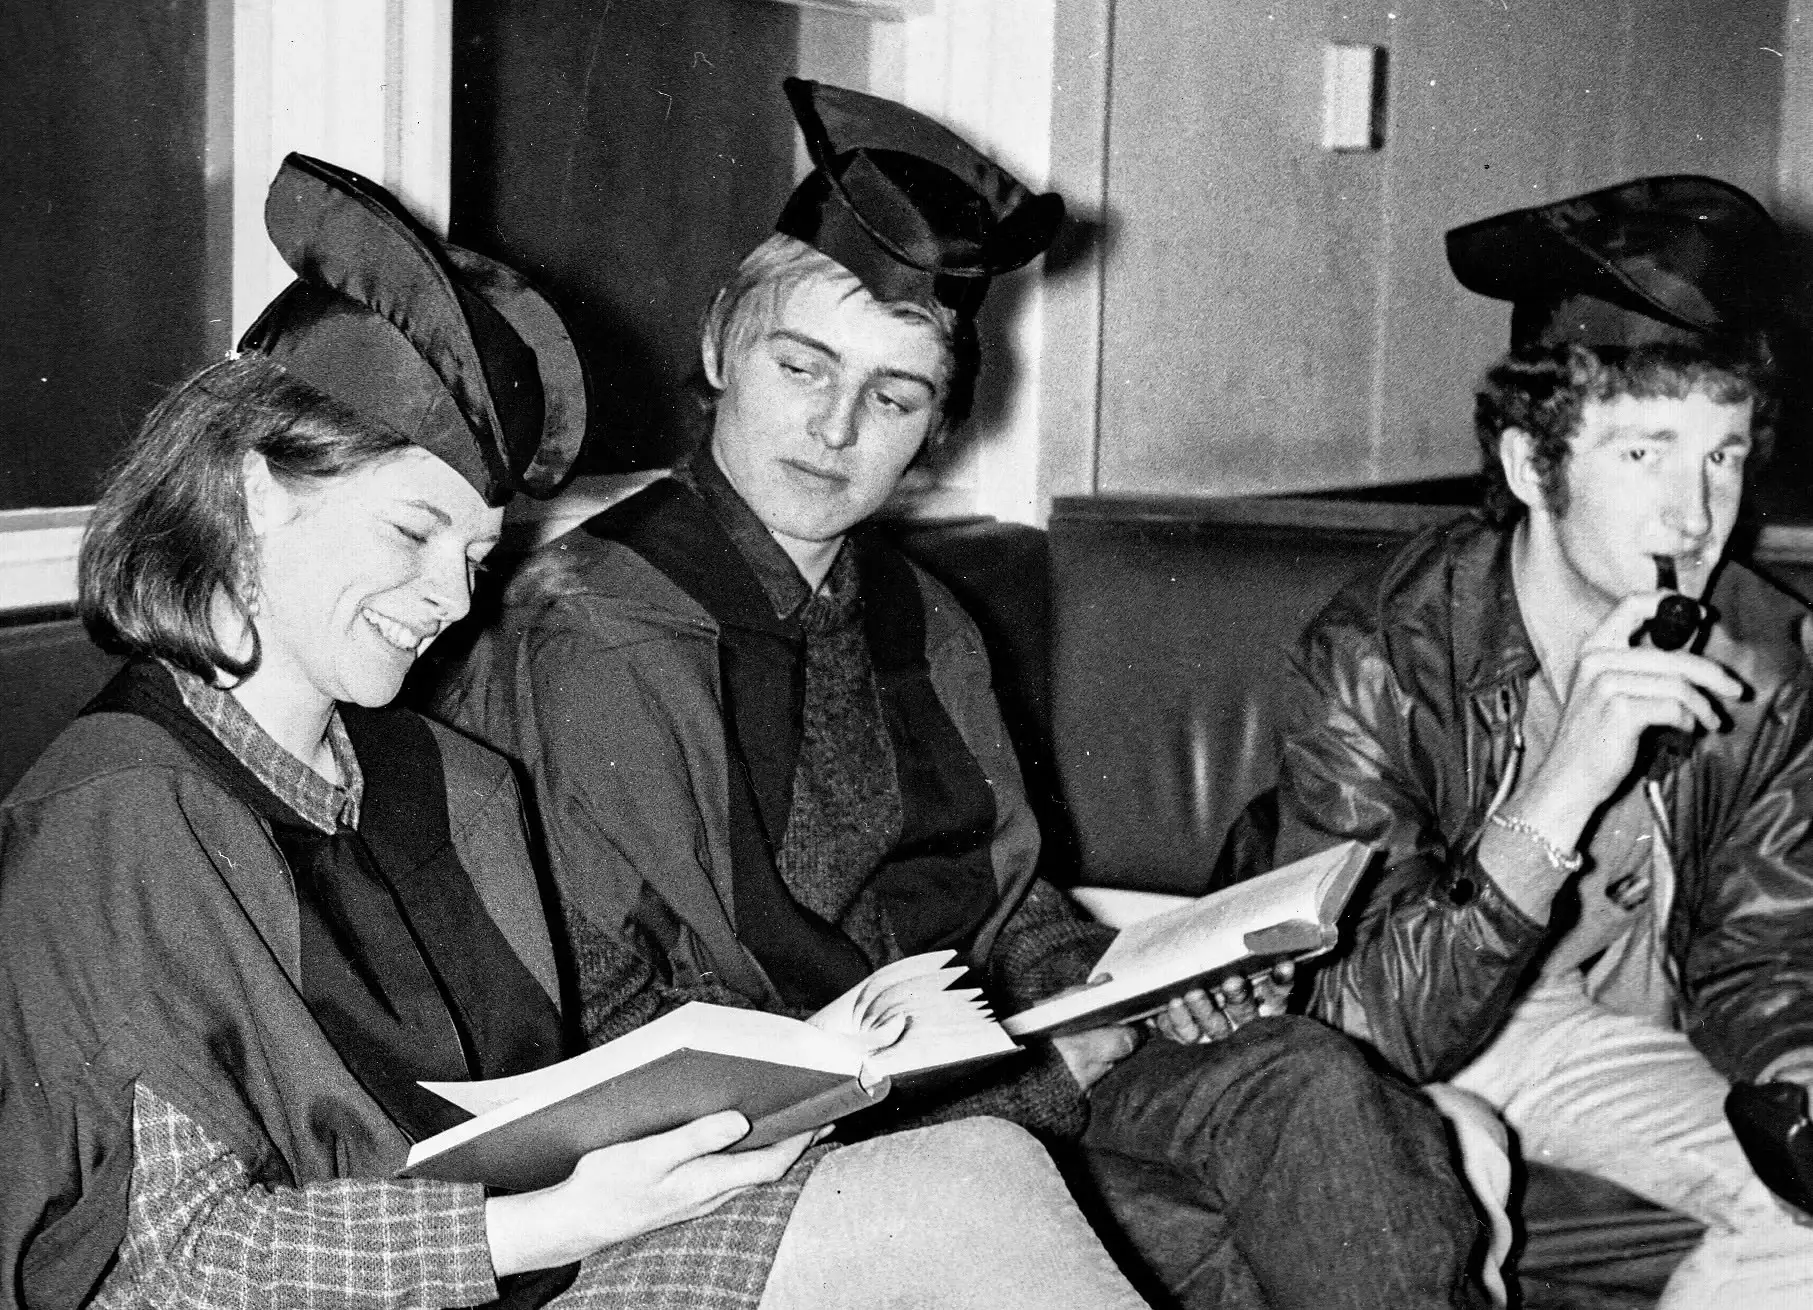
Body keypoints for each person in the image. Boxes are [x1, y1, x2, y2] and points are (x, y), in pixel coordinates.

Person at [0, 152, 1155, 1310]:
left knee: (976, 1177)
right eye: (411, 532)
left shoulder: (438, 774)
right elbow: (174, 1262)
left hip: (527, 1267)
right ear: (258, 490)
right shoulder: (120, 810)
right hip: (429, 1280)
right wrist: (561, 1214)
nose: (452, 602)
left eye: (474, 556)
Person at [433, 78, 1491, 1310]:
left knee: (1307, 1079)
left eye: (893, 396)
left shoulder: (921, 617)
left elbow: (997, 897)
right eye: (802, 363)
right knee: (1186, 1237)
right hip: (790, 1152)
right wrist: (1047, 1070)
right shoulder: (597, 633)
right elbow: (628, 1031)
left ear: (935, 427)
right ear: (722, 345)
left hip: (988, 1069)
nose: (834, 427)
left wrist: (1140, 983)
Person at [1261, 174, 1813, 1306]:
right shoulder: (1382, 652)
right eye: (1643, 453)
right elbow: (1359, 1017)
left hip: (1582, 1027)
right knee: (1440, 1159)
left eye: (1722, 454)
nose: (1693, 515)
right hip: (1388, 1026)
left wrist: (1800, 1078)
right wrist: (1561, 789)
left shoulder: (1759, 651)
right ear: (1530, 464)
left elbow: (1767, 949)